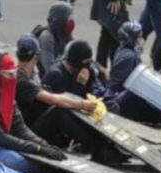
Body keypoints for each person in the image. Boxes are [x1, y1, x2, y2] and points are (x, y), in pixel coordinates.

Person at [14, 35, 127, 164]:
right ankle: (100, 150)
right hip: (31, 131)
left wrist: (87, 99)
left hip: (46, 122)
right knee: (59, 112)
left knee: (110, 106)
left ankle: (110, 145)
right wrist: (81, 100)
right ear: (36, 56)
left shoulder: (32, 76)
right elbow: (52, 99)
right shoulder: (25, 79)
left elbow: (92, 94)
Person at [37, 1, 76, 73]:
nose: (72, 21)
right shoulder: (47, 38)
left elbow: (77, 52)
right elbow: (49, 68)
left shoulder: (65, 34)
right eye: (69, 18)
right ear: (60, 18)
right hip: (49, 78)